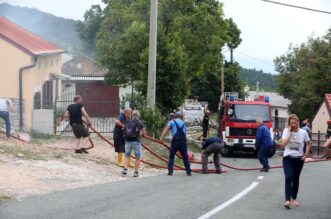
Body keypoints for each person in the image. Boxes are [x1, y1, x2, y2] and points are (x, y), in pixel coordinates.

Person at [280, 114, 311, 209]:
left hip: (299, 159)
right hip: (288, 158)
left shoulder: (303, 132)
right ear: (289, 124)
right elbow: (282, 144)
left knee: (296, 178)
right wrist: (289, 133)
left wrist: (306, 155)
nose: (294, 124)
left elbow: (308, 143)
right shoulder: (286, 131)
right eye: (292, 123)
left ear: (298, 121)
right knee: (288, 177)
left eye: (295, 122)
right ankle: (287, 200)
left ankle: (294, 198)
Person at [160, 111, 191, 176]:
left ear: (174, 116)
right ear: (180, 116)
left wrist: (161, 138)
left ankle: (170, 172)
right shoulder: (183, 123)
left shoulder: (172, 122)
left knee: (171, 156)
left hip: (175, 141)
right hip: (183, 141)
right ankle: (188, 172)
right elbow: (185, 133)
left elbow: (166, 129)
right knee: (185, 157)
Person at [121, 110, 147, 177]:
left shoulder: (128, 121)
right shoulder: (140, 122)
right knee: (137, 157)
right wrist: (142, 134)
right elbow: (144, 133)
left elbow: (124, 129)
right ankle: (135, 172)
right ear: (138, 116)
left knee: (127, 155)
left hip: (127, 140)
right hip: (136, 141)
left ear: (132, 115)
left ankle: (125, 169)